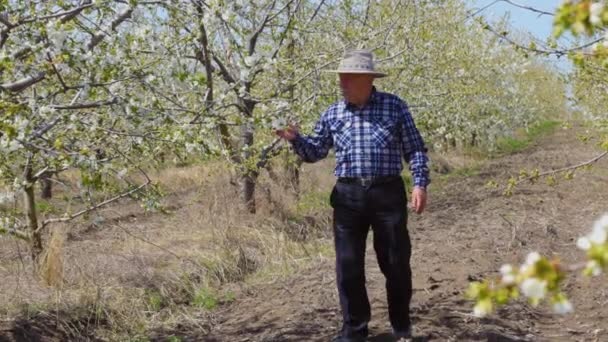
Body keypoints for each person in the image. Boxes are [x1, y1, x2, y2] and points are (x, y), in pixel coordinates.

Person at [276, 50, 430, 342]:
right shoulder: (333, 113)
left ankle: (401, 326)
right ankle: (354, 331)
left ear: (367, 79)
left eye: (347, 78)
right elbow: (316, 152)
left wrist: (420, 183)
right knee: (348, 265)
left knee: (396, 262)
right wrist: (295, 139)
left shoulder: (394, 107)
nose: (341, 83)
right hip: (348, 196)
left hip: (387, 194)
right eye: (340, 78)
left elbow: (415, 148)